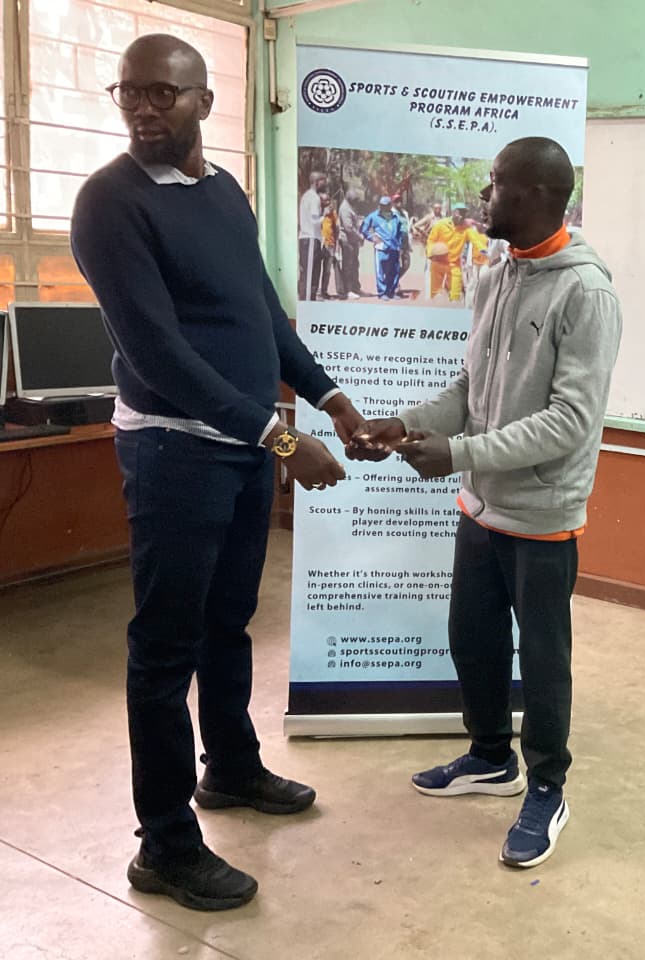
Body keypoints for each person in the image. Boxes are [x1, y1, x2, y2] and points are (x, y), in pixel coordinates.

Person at [69, 34, 365, 912]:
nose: (143, 107)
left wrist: (331, 398)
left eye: (163, 92)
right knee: (165, 648)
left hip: (240, 447)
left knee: (227, 623)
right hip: (174, 450)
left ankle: (230, 767)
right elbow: (157, 355)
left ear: (204, 100)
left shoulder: (223, 191)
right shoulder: (109, 203)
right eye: (130, 92)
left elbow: (261, 315)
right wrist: (284, 443)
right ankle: (163, 846)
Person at [349, 137, 622, 869]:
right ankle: (491, 758)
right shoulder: (496, 275)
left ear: (535, 194)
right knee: (472, 639)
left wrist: (461, 453)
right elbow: (470, 391)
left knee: (543, 659)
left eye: (495, 183)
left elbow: (570, 422)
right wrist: (405, 424)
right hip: (480, 506)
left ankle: (547, 788)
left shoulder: (586, 294)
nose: (482, 195)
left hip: (541, 516)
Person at [426, 202, 486, 302]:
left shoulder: (466, 229)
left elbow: (476, 240)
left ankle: (453, 303)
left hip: (454, 264)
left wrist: (485, 251)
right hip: (438, 262)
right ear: (453, 212)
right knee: (435, 295)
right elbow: (431, 240)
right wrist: (430, 253)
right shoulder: (441, 224)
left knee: (455, 296)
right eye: (459, 212)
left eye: (464, 213)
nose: (462, 216)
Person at [361, 195, 408, 300]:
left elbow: (401, 231)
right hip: (381, 248)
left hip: (394, 248)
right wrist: (372, 237)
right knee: (381, 271)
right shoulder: (373, 216)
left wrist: (400, 244)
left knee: (394, 271)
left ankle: (391, 292)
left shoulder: (396, 217)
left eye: (385, 205)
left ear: (390, 205)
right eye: (381, 205)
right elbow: (364, 229)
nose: (382, 207)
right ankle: (382, 293)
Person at [298, 170, 327, 301]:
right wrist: (325, 215)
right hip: (310, 239)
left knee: (309, 273)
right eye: (323, 181)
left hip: (308, 239)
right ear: (316, 182)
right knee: (310, 275)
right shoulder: (314, 198)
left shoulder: (307, 196)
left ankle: (309, 300)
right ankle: (308, 301)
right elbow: (314, 221)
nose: (324, 184)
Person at [337, 188, 364, 299]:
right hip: (347, 241)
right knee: (348, 266)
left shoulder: (350, 207)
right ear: (349, 198)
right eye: (355, 199)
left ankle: (355, 288)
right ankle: (348, 290)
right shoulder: (345, 208)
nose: (356, 201)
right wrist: (359, 236)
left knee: (355, 265)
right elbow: (348, 228)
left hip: (353, 241)